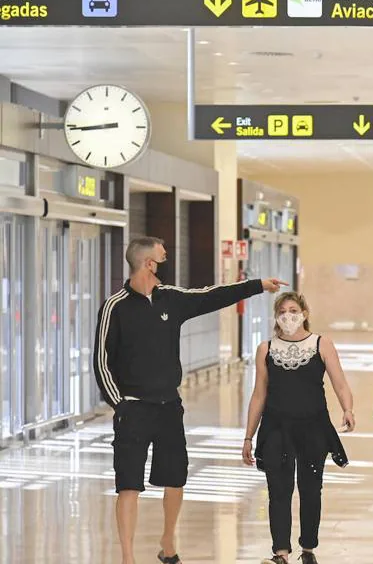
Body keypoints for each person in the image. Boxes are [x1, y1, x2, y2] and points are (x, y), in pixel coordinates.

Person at [93, 236, 285, 564]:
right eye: (162, 258)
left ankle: (168, 543)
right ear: (148, 264)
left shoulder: (171, 299)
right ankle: (127, 557)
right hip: (133, 410)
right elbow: (100, 361)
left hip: (169, 408)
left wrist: (255, 286)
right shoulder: (116, 306)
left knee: (175, 478)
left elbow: (210, 296)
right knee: (128, 484)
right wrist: (121, 405)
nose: (164, 263)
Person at [242, 292, 355, 564]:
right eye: (282, 311)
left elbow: (339, 381)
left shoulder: (321, 344)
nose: (288, 315)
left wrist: (347, 408)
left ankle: (308, 547)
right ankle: (280, 551)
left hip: (313, 426)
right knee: (278, 490)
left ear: (304, 312)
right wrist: (248, 436)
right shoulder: (266, 348)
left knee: (310, 487)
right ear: (276, 316)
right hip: (276, 427)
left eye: (293, 309)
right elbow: (259, 394)